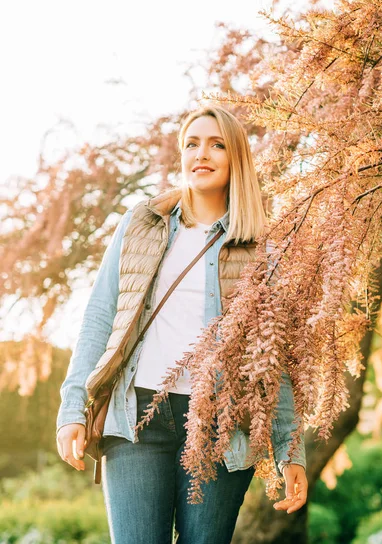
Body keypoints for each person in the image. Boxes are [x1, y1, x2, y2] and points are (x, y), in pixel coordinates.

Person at [56, 105, 308, 544]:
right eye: (191, 143)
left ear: (237, 159)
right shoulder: (142, 223)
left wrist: (290, 450)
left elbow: (274, 356)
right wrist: (73, 407)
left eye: (216, 144)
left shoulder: (263, 247)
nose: (201, 154)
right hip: (136, 417)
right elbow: (99, 315)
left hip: (220, 426)